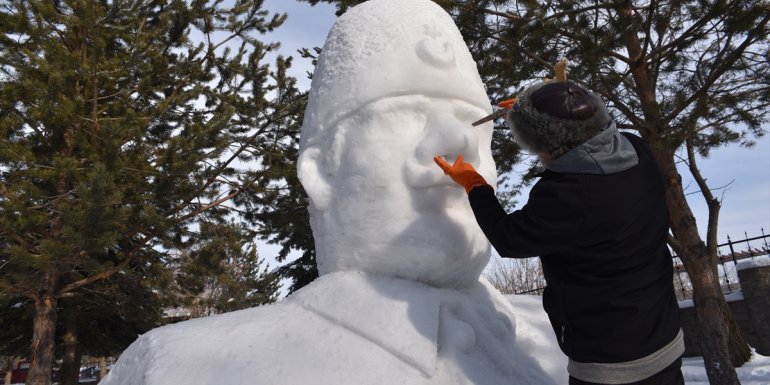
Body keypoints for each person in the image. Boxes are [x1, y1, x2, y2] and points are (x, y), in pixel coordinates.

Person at [435, 80, 685, 385]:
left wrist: (475, 186)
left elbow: (509, 238)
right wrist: (536, 110)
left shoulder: (570, 194)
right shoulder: (636, 149)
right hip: (665, 335)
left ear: (545, 145)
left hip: (612, 362)